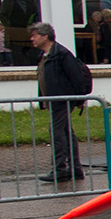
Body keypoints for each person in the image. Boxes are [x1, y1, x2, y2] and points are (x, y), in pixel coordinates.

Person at [30, 22, 90, 182]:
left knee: (57, 133)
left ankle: (60, 169)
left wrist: (77, 98)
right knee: (66, 133)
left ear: (45, 36)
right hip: (55, 101)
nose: (32, 39)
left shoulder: (61, 54)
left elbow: (76, 76)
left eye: (35, 35)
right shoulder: (48, 55)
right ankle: (75, 169)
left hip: (62, 101)